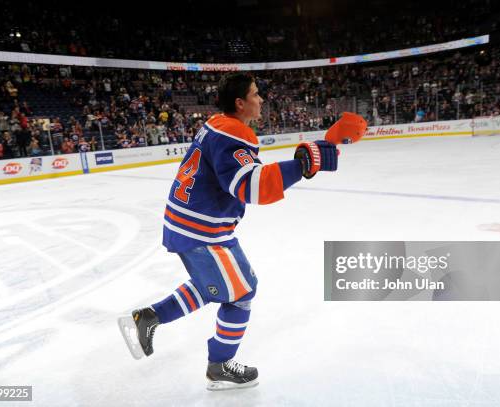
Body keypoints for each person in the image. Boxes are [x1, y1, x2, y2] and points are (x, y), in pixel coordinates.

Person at [118, 73, 339, 391]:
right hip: (202, 232)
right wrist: (303, 164)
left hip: (190, 225)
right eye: (255, 93)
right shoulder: (235, 132)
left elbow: (241, 175)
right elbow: (248, 187)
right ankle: (219, 366)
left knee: (218, 286)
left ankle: (148, 318)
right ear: (240, 103)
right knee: (242, 293)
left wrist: (302, 164)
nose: (261, 99)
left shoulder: (217, 124)